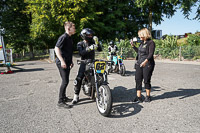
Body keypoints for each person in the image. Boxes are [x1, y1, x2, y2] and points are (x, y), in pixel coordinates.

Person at [72, 28, 102, 104]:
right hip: (84, 62)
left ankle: (98, 90)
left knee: (100, 75)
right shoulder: (80, 44)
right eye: (89, 35)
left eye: (91, 35)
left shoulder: (92, 42)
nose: (90, 36)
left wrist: (97, 43)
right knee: (79, 78)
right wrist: (89, 48)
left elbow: (99, 49)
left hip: (93, 62)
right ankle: (76, 96)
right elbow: (81, 53)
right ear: (84, 35)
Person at [130, 28, 155, 103]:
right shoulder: (142, 43)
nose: (139, 37)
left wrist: (145, 61)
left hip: (147, 64)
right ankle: (139, 97)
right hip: (139, 63)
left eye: (140, 35)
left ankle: (148, 96)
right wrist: (133, 46)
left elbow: (151, 54)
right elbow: (139, 52)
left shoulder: (151, 43)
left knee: (146, 80)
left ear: (145, 34)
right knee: (138, 80)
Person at [55, 21, 76, 108]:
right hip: (62, 62)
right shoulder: (63, 37)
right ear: (68, 28)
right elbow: (56, 48)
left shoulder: (69, 38)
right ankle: (60, 101)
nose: (75, 29)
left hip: (67, 62)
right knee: (65, 81)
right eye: (73, 28)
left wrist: (70, 61)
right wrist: (62, 61)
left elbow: (68, 52)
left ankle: (64, 97)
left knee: (66, 81)